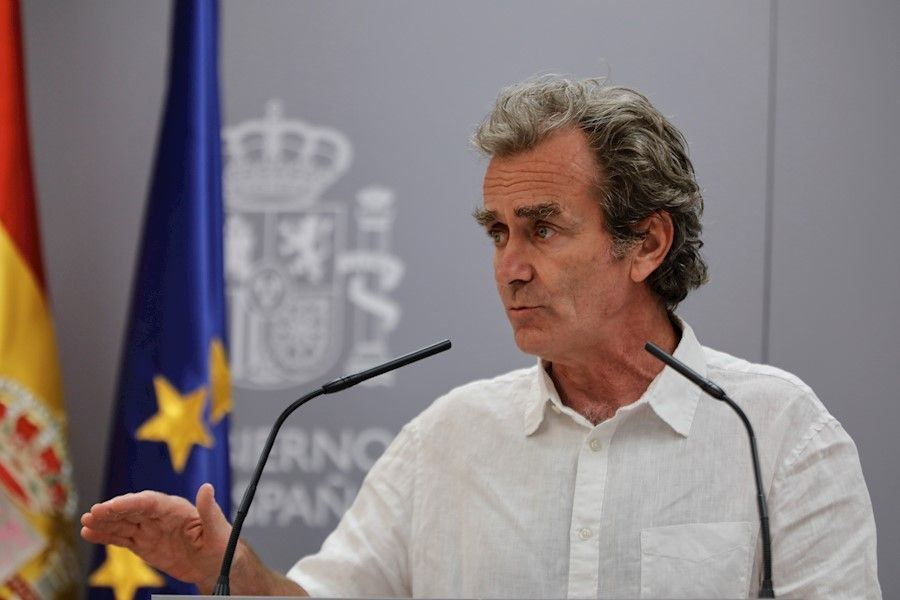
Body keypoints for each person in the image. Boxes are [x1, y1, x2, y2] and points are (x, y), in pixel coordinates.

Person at [81, 76, 881, 598]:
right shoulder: (449, 438)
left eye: (543, 229)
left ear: (645, 243)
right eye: (498, 232)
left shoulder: (777, 434)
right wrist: (232, 570)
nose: (510, 268)